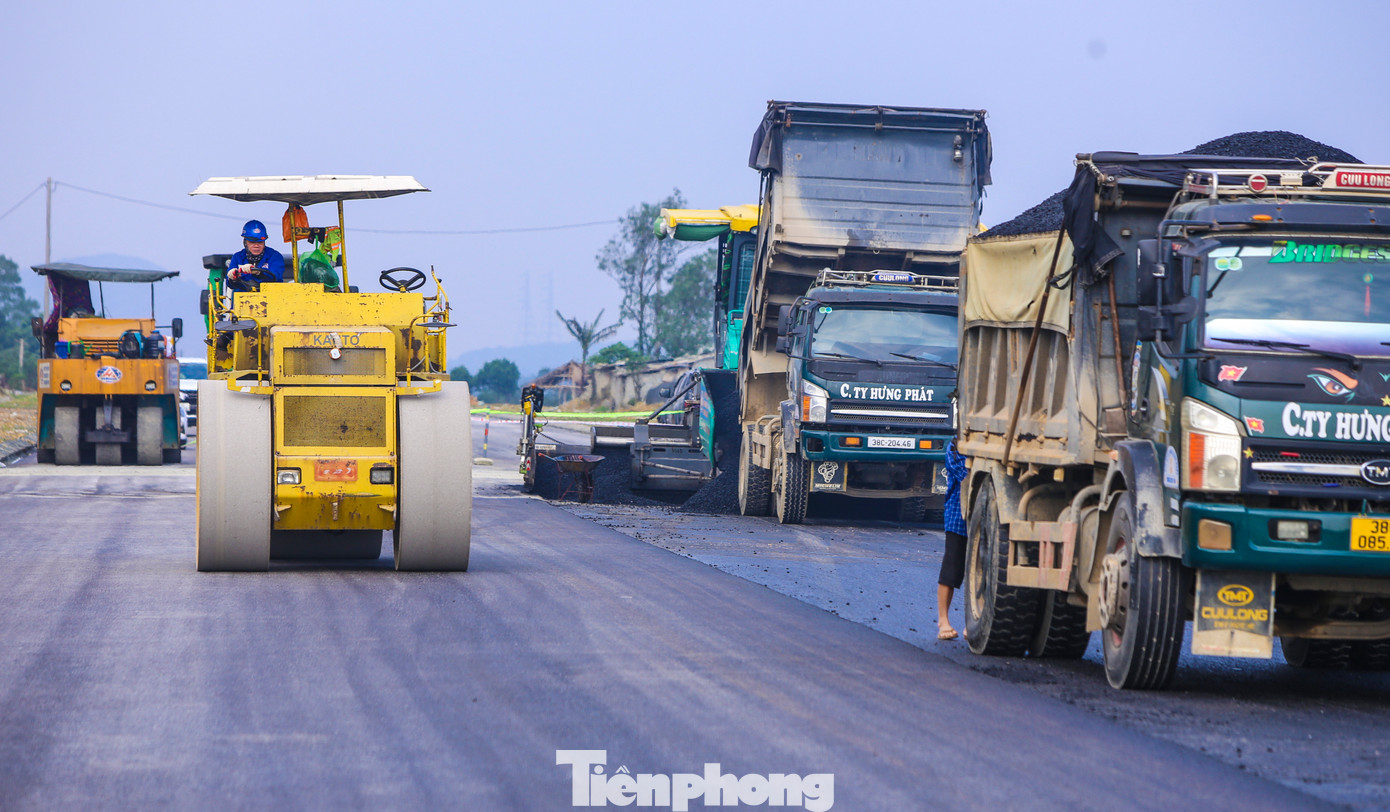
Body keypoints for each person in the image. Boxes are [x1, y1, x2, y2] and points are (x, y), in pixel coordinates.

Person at [937, 438, 968, 641]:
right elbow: (966, 475)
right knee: (951, 568)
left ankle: (973, 623)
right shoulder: (955, 448)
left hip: (981, 519)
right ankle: (943, 620)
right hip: (958, 518)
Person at [225, 219, 285, 292]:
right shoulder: (237, 257)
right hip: (242, 298)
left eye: (260, 242)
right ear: (245, 242)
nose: (256, 246)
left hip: (270, 297)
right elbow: (230, 284)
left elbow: (276, 277)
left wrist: (258, 272)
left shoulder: (274, 256)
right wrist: (232, 277)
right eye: (252, 242)